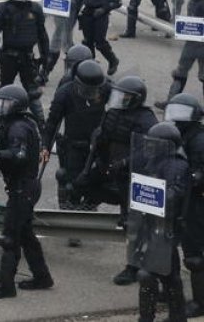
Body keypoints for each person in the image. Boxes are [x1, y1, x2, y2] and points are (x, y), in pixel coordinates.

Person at [75, 75, 158, 285]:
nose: (120, 99)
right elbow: (102, 138)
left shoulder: (145, 119)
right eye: (119, 95)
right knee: (78, 185)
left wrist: (123, 164)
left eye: (125, 97)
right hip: (110, 170)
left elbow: (147, 151)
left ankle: (133, 267)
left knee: (133, 223)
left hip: (133, 177)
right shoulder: (112, 113)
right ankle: (94, 205)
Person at [0, 84, 54, 299]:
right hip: (23, 187)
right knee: (26, 234)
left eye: (5, 104)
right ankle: (42, 276)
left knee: (10, 238)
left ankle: (6, 286)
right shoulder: (17, 124)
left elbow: (17, 155)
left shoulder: (18, 128)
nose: (0, 108)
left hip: (23, 189)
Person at [130, 121, 190, 321]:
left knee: (147, 276)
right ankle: (177, 316)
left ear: (165, 145)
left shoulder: (177, 165)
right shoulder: (156, 160)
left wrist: (149, 195)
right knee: (170, 276)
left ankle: (147, 318)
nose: (149, 146)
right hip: (154, 226)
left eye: (153, 143)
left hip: (166, 228)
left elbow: (173, 195)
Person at [41, 59, 106, 210]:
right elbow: (52, 123)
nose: (90, 95)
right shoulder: (64, 93)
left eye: (93, 91)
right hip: (73, 145)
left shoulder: (105, 88)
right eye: (86, 91)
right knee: (70, 182)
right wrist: (45, 146)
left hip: (97, 144)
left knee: (97, 181)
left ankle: (90, 205)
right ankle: (68, 206)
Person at [0, 0, 49, 125]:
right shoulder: (3, 8)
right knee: (4, 88)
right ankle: (0, 119)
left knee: (32, 90)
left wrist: (45, 57)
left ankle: (41, 122)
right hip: (9, 56)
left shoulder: (35, 9)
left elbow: (42, 35)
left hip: (28, 57)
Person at [165, 93, 204, 316]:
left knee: (194, 256)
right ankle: (170, 290)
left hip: (196, 203)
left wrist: (190, 177)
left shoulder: (198, 140)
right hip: (183, 199)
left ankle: (200, 303)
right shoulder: (182, 134)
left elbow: (199, 173)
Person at [42, 0, 84, 82]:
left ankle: (48, 73)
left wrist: (69, 1)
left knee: (63, 42)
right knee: (60, 41)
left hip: (69, 15)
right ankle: (46, 72)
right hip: (58, 14)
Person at [79, 0, 122, 75]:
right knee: (87, 41)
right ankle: (90, 66)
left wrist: (104, 9)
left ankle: (113, 60)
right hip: (87, 12)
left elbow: (117, 2)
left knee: (100, 42)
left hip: (101, 13)